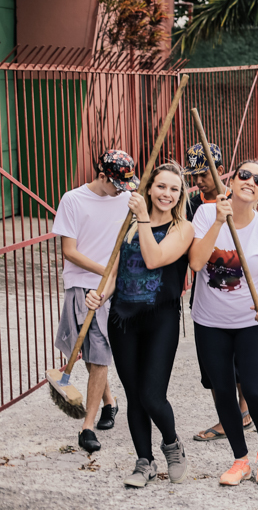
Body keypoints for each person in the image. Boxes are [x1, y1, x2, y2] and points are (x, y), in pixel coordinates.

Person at [85, 164, 194, 487]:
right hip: (124, 319)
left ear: (180, 195)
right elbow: (115, 274)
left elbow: (155, 259)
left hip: (160, 320)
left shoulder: (182, 228)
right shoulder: (129, 225)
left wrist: (143, 218)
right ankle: (144, 462)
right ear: (149, 189)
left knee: (152, 395)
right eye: (161, 187)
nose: (167, 194)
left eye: (174, 189)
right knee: (134, 395)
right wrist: (99, 296)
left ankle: (172, 444)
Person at [189, 160, 258, 486]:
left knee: (254, 390)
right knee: (224, 393)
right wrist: (218, 221)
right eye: (245, 175)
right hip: (210, 323)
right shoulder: (205, 214)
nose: (251, 181)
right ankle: (240, 459)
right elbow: (197, 262)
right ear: (232, 179)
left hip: (250, 324)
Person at [52, 150, 134, 453]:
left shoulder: (127, 198)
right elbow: (69, 251)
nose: (121, 191)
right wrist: (105, 269)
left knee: (99, 353)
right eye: (116, 184)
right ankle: (109, 402)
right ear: (101, 176)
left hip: (110, 288)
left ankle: (86, 426)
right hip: (81, 284)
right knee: (88, 351)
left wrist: (115, 275)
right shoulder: (73, 200)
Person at [183, 143, 252, 442]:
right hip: (207, 290)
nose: (198, 181)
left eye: (203, 174)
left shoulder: (239, 198)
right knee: (213, 367)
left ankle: (243, 412)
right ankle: (228, 417)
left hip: (240, 291)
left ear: (221, 171)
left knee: (243, 363)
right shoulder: (189, 205)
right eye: (194, 175)